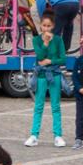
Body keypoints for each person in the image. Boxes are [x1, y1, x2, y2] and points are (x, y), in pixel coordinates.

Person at [25, 13, 65, 148]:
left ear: (53, 26)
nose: (46, 29)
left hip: (55, 75)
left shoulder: (59, 40)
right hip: (41, 75)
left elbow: (62, 59)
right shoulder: (36, 40)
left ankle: (58, 135)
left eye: (49, 26)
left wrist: (50, 61)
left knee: (56, 106)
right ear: (40, 26)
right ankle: (34, 135)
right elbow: (40, 55)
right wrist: (46, 43)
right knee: (38, 106)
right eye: (44, 26)